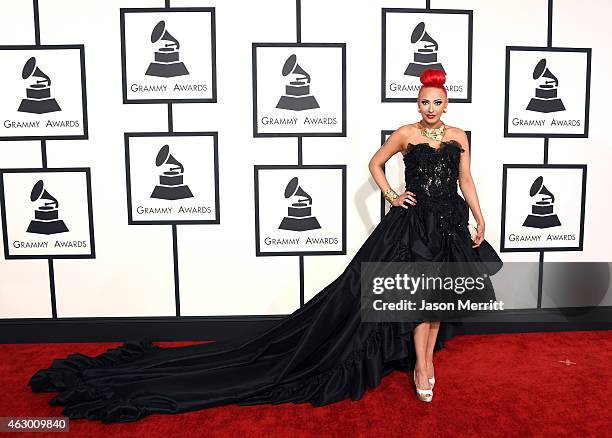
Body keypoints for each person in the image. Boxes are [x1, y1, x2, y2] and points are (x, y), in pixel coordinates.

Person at [28, 68, 502, 422]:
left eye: (436, 102)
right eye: (424, 101)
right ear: (418, 103)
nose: (430, 109)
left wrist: (479, 217)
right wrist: (392, 195)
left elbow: (467, 179)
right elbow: (374, 164)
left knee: (433, 300)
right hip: (411, 226)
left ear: (447, 103)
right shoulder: (405, 134)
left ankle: (423, 367)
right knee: (398, 298)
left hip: (448, 225)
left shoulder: (459, 137)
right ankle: (420, 368)